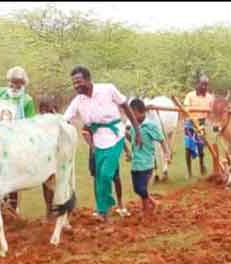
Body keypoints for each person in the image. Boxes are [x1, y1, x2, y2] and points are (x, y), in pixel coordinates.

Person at [63, 65, 141, 223]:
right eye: (74, 83)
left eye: (79, 81)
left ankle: (106, 208)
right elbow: (65, 118)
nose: (76, 85)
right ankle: (102, 212)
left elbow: (125, 105)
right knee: (99, 177)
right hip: (97, 140)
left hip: (115, 135)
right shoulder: (78, 100)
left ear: (88, 79)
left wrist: (136, 130)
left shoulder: (107, 89)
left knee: (106, 174)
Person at [0, 66, 37, 216]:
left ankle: (13, 209)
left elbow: (30, 123)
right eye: (12, 82)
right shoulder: (0, 93)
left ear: (23, 83)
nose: (14, 85)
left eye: (18, 83)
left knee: (12, 175)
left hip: (15, 139)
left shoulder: (27, 100)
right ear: (8, 80)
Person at [126, 98, 164, 215]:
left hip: (147, 163)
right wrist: (126, 135)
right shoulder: (133, 126)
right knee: (137, 189)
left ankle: (147, 208)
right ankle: (154, 203)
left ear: (142, 112)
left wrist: (167, 152)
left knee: (142, 188)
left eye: (134, 113)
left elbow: (161, 139)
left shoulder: (150, 126)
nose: (131, 117)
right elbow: (132, 139)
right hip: (136, 163)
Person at [183, 75, 214, 178]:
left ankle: (201, 165)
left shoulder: (209, 97)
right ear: (198, 84)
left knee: (201, 147)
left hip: (201, 123)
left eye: (206, 85)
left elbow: (212, 111)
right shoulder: (190, 95)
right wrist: (192, 114)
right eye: (202, 84)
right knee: (188, 147)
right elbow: (186, 108)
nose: (204, 87)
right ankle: (188, 171)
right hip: (190, 123)